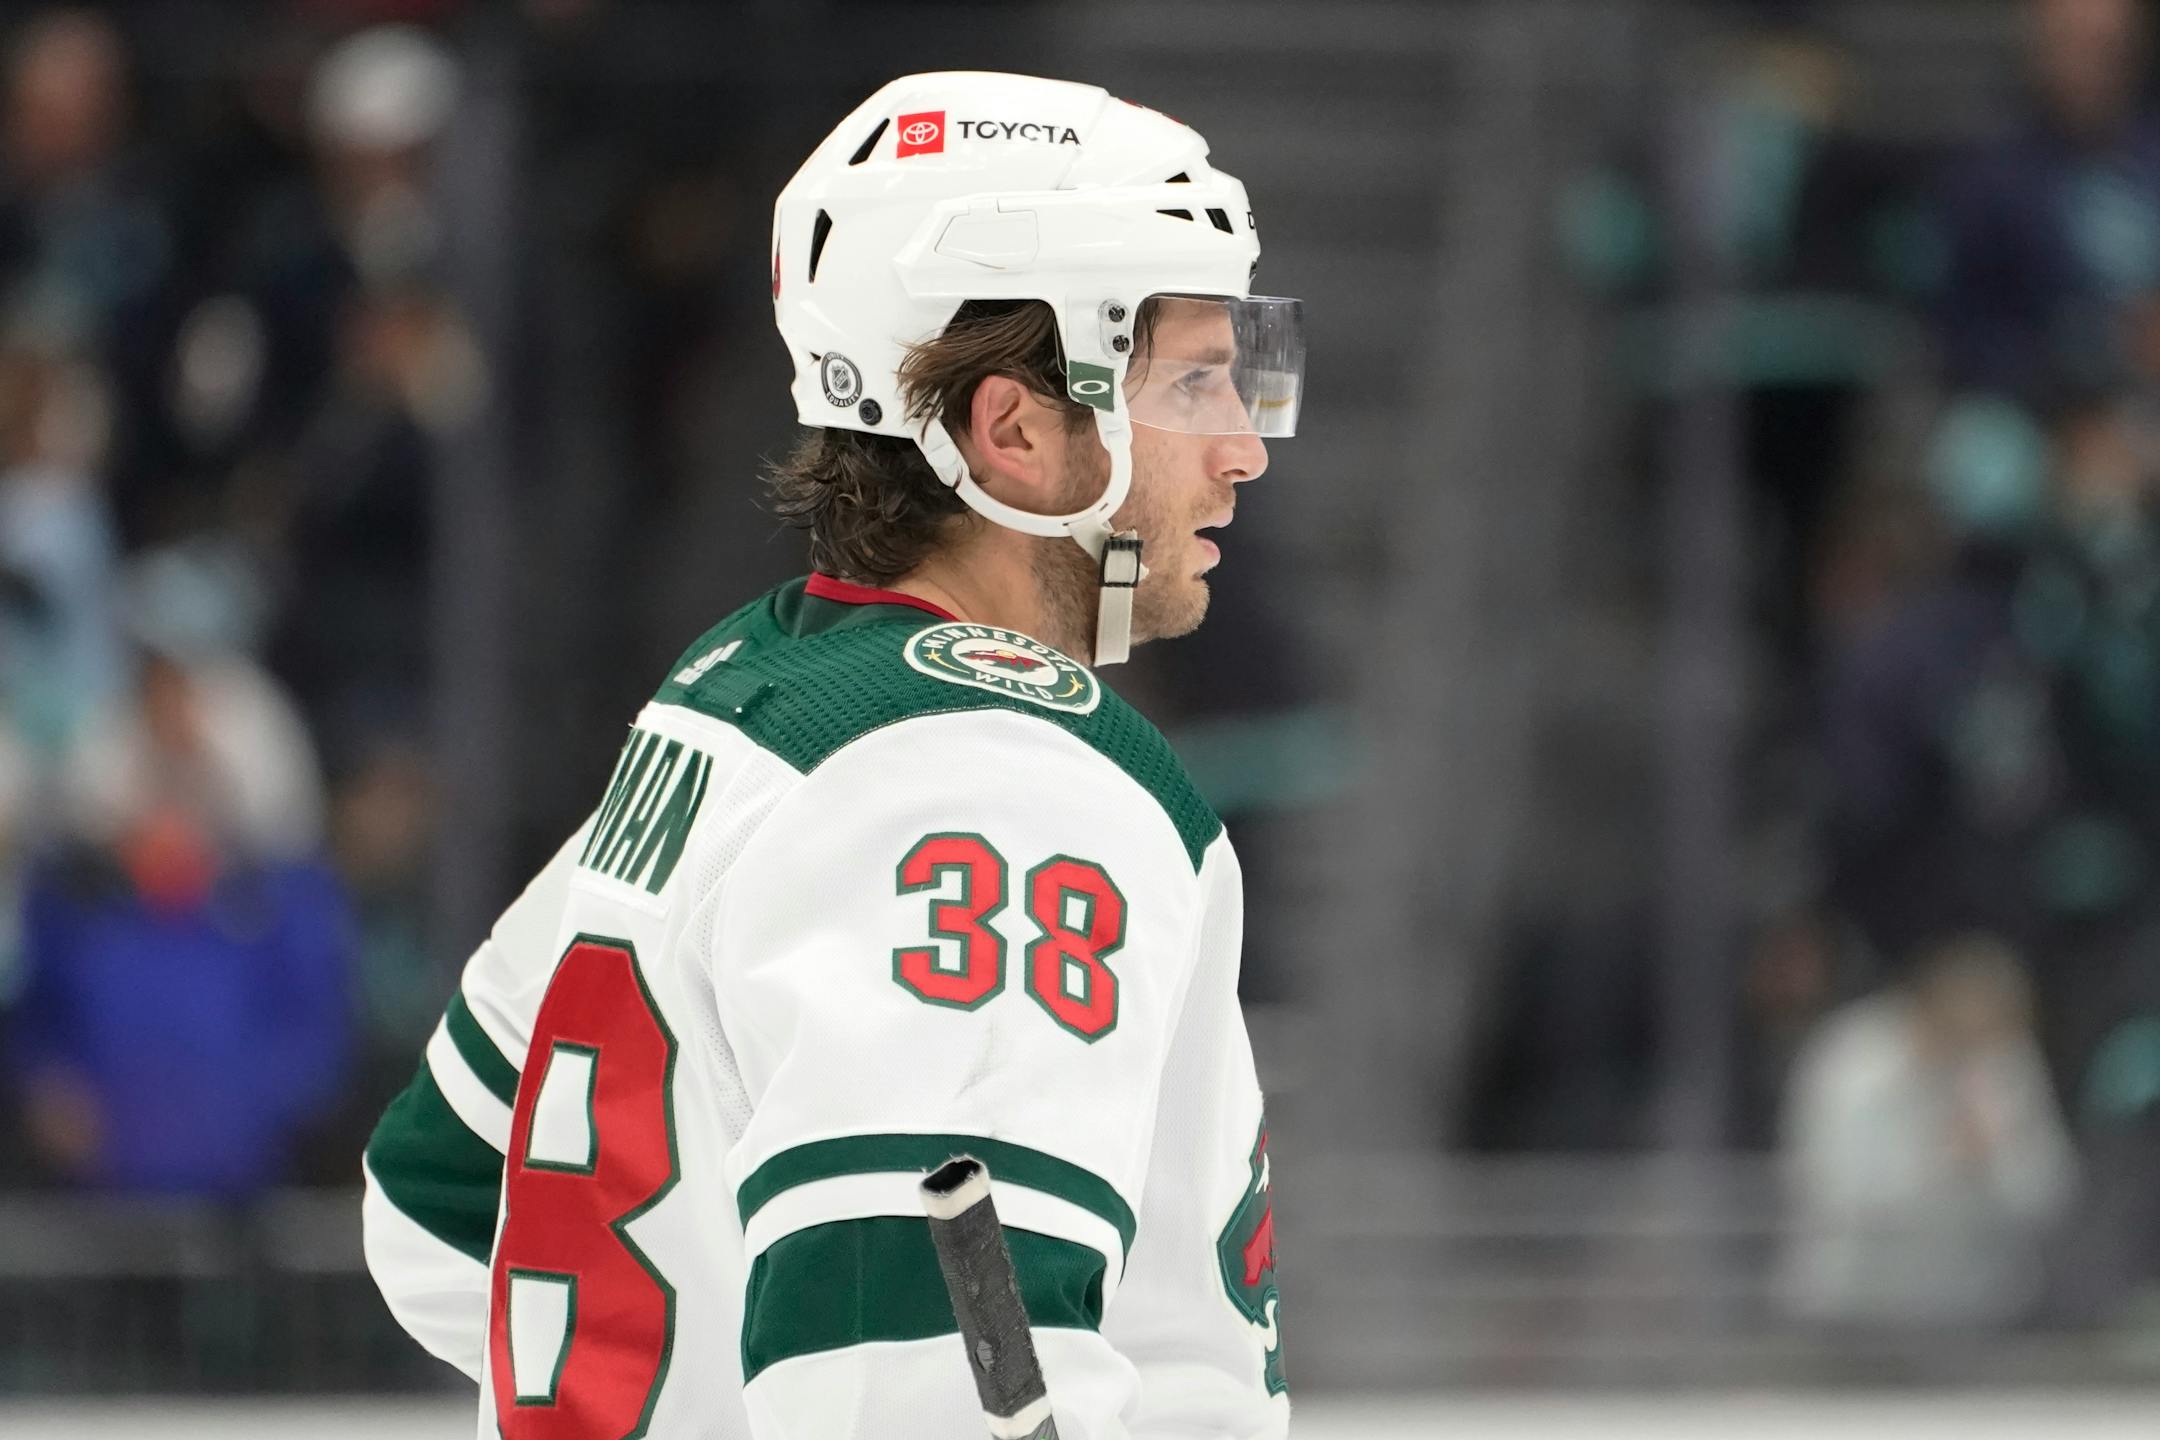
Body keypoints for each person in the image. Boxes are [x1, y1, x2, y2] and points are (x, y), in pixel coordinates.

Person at [361, 72, 1302, 1438]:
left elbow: (447, 1200)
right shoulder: (995, 781)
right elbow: (922, 1383)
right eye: (1197, 381)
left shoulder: (744, 695)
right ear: (1015, 430)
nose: (1242, 449)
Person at [1776, 935, 2076, 1330]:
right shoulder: (1854, 1062)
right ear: (1935, 1011)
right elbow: (1835, 1193)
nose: (1984, 1052)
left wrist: (1998, 1160)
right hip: (1854, 1306)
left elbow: (2050, 1195)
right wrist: (1942, 1161)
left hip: (1976, 1309)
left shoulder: (2002, 1059)